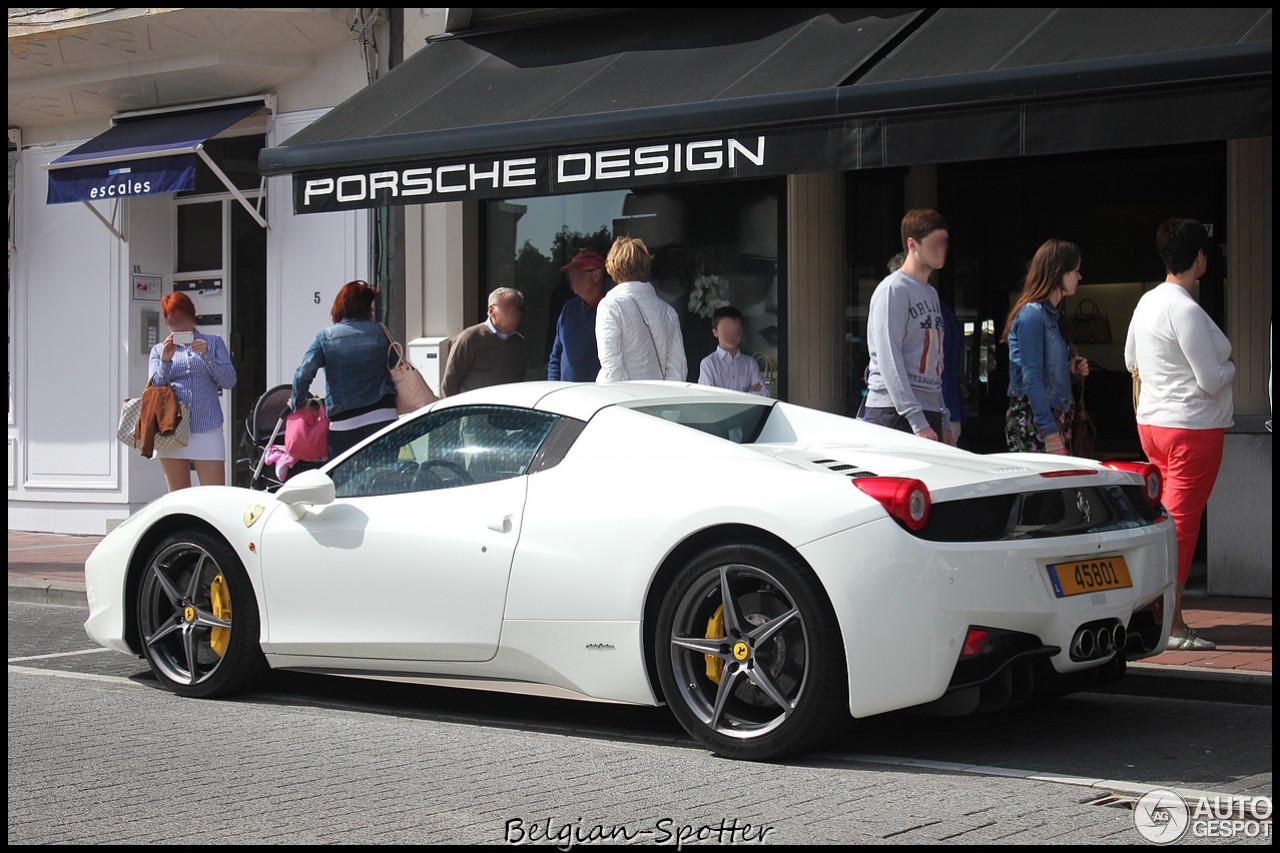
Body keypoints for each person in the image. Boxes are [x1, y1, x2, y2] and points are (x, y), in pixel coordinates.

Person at [1125, 218, 1234, 651]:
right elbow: (1210, 379)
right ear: (1200, 258)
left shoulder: (1146, 302)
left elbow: (1133, 360)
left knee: (1165, 523)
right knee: (1180, 528)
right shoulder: (1185, 308)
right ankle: (1169, 621)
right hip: (1192, 427)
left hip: (1154, 425)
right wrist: (1234, 368)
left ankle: (1159, 613)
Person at [861, 210, 952, 443]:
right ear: (912, 244)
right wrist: (917, 420)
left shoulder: (930, 292)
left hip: (925, 409)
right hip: (893, 411)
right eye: (935, 243)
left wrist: (943, 419)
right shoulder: (893, 289)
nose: (942, 249)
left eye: (945, 242)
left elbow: (935, 360)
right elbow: (889, 358)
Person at [1002, 239, 1091, 454]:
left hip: (1047, 418)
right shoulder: (1033, 315)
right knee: (1045, 487)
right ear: (1059, 272)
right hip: (1037, 422)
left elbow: (1040, 371)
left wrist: (1068, 367)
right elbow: (1031, 377)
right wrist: (1050, 433)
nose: (1079, 277)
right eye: (1075, 271)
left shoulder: (1049, 316)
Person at [292, 280, 397, 460]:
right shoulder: (381, 332)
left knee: (344, 484)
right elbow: (397, 367)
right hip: (384, 417)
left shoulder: (325, 337)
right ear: (366, 309)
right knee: (386, 479)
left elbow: (303, 373)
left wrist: (297, 401)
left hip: (345, 424)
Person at [148, 291, 237, 491]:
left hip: (206, 426)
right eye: (172, 321)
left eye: (182, 319)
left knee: (214, 495)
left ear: (192, 316)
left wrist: (206, 356)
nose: (178, 326)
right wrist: (165, 360)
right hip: (171, 427)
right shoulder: (158, 350)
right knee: (178, 498)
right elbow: (156, 387)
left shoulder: (213, 343)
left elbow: (229, 381)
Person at [887, 250, 964, 439]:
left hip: (930, 406)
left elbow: (932, 365)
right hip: (941, 406)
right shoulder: (940, 310)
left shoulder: (931, 309)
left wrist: (926, 420)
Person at [596, 236, 686, 383]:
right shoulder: (668, 311)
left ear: (612, 265)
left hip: (622, 400)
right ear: (644, 265)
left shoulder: (611, 305)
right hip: (660, 399)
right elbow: (678, 367)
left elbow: (611, 364)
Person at [441, 287, 528, 396]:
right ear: (491, 310)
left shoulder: (519, 343)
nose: (516, 314)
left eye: (519, 310)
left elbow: (520, 380)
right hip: (473, 409)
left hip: (505, 409)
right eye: (510, 309)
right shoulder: (470, 338)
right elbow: (450, 381)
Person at [548, 250, 610, 382]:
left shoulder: (612, 310)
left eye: (578, 273)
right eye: (571, 273)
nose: (572, 277)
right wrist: (553, 385)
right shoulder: (568, 309)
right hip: (565, 394)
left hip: (600, 397)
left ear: (596, 275)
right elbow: (556, 355)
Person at [697, 306, 770, 397]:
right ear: (715, 332)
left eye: (735, 331)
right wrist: (748, 395)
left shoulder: (750, 363)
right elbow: (708, 398)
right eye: (726, 331)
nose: (731, 335)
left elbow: (764, 394)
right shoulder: (708, 364)